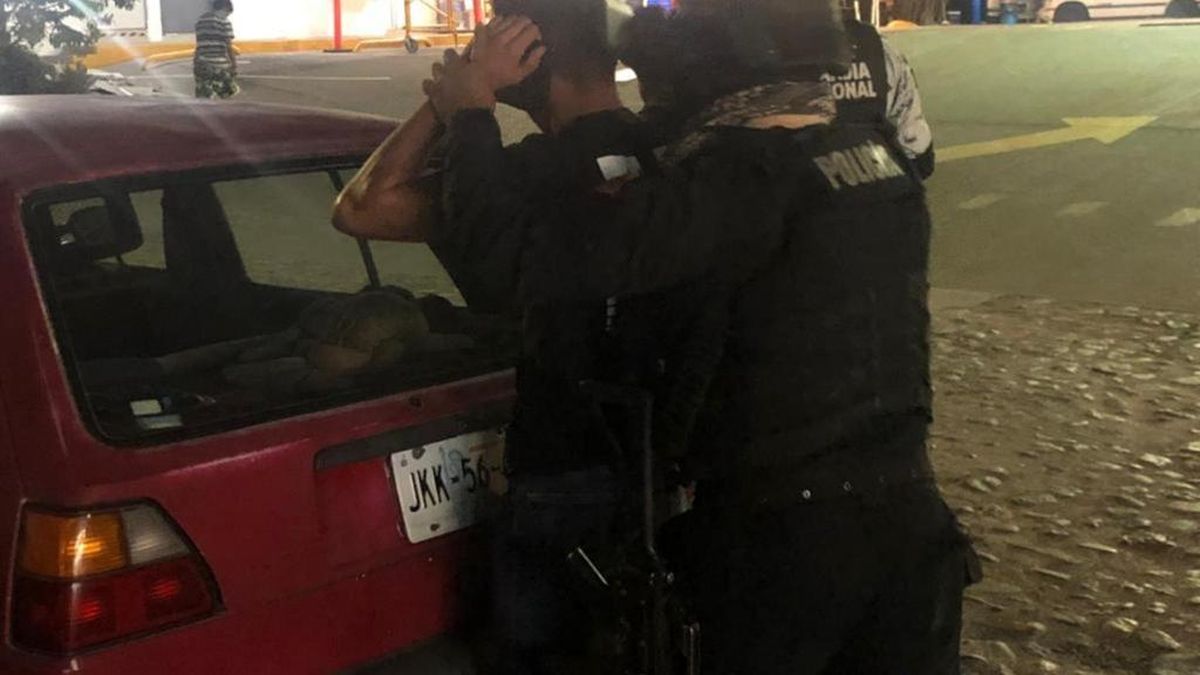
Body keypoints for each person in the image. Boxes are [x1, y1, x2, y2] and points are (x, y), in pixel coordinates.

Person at [486, 0, 975, 671]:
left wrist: (466, 112)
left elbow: (523, 257)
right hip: (908, 524)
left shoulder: (738, 178)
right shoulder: (877, 156)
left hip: (781, 546)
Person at [333, 1, 717, 672]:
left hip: (561, 475)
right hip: (664, 469)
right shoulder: (671, 150)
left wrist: (456, 101)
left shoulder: (525, 178)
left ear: (530, 60)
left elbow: (363, 207)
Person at [823, 9, 936, 177]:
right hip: (879, 174)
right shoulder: (883, 50)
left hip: (811, 181)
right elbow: (919, 152)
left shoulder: (784, 58)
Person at [194, 0, 239, 99]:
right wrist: (234, 65)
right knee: (228, 93)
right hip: (219, 65)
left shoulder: (200, 21)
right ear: (224, 8)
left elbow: (199, 43)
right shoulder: (224, 22)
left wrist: (196, 61)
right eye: (228, 13)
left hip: (202, 64)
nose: (227, 16)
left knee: (204, 96)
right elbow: (228, 46)